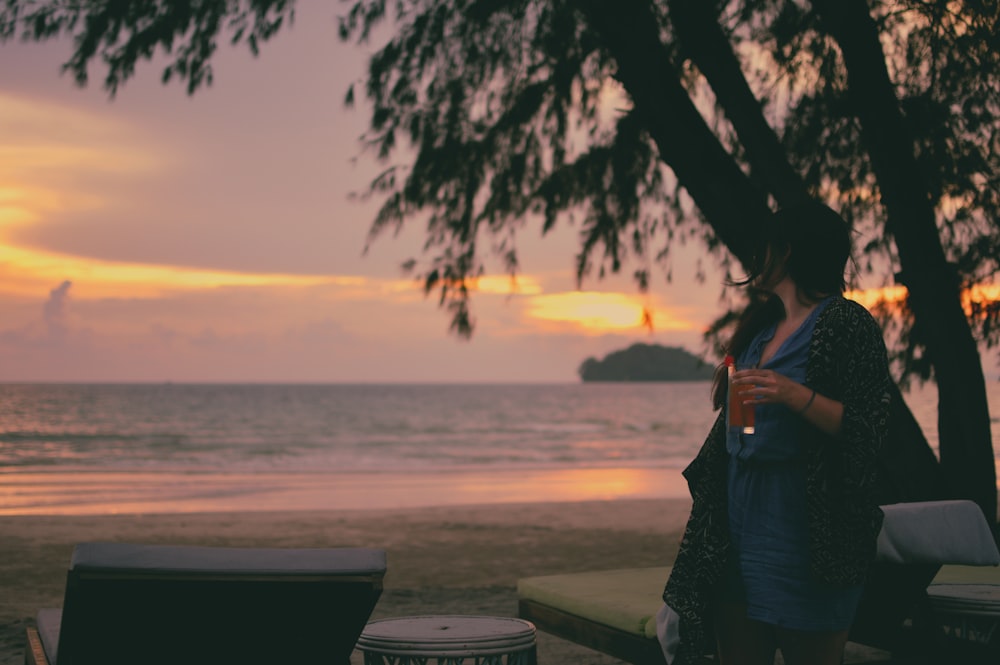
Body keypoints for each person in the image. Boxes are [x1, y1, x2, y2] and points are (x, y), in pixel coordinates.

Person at [662, 202, 892, 665]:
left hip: (804, 528)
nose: (755, 258)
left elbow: (868, 429)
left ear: (785, 251)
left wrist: (794, 395)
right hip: (738, 521)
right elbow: (741, 429)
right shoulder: (759, 331)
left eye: (763, 247)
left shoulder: (844, 323)